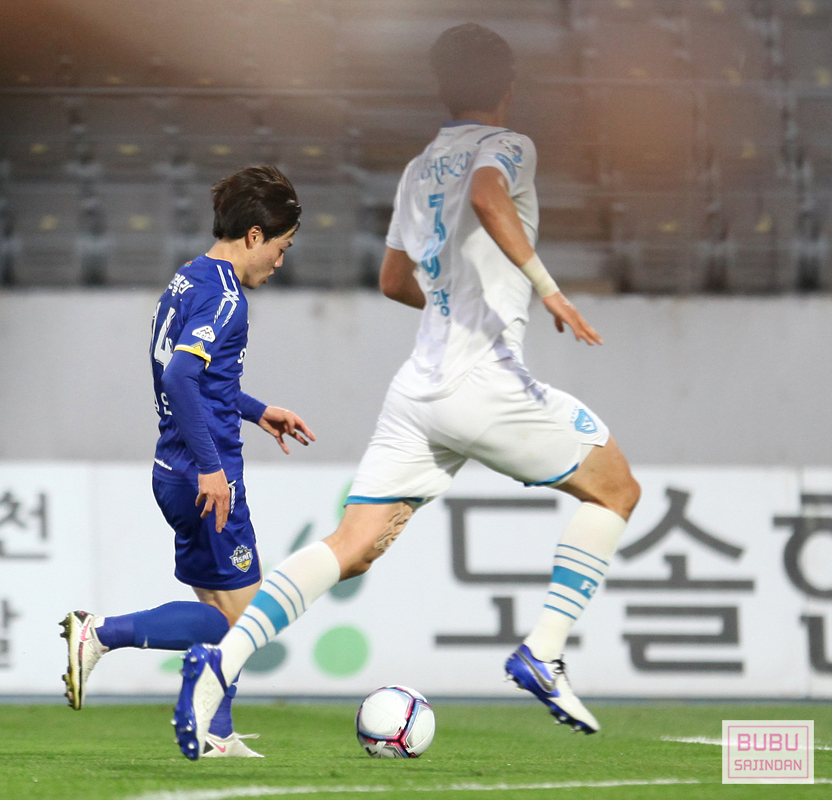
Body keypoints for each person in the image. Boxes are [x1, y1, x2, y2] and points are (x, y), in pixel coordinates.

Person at [171, 23, 641, 760]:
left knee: (351, 546)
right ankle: (544, 651)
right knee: (616, 491)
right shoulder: (509, 145)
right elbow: (487, 194)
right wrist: (545, 289)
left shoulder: (420, 168)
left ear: (441, 89)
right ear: (509, 86)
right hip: (484, 381)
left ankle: (221, 663)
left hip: (418, 391)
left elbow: (394, 280)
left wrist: (454, 305)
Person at [60, 165, 315, 758]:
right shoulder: (227, 299)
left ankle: (216, 733)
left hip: (174, 471)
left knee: (222, 611)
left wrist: (257, 411)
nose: (280, 262)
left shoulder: (188, 279)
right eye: (281, 248)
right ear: (254, 235)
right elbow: (179, 376)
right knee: (244, 623)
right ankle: (99, 634)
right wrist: (212, 468)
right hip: (206, 477)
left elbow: (200, 379)